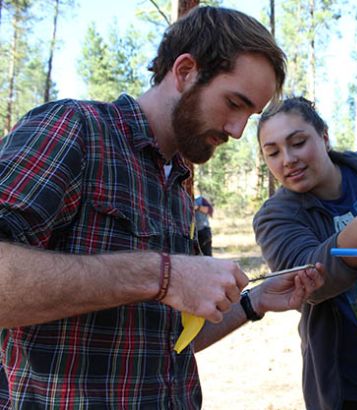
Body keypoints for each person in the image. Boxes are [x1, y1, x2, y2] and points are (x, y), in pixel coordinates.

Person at [0, 7, 324, 409]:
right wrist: (161, 276)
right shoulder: (74, 129)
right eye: (234, 103)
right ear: (186, 71)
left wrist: (253, 302)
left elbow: (168, 343)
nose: (238, 131)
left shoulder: (178, 182)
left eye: (250, 115)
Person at [253, 97, 357, 410]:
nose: (287, 159)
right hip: (354, 384)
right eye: (272, 152)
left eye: (298, 142)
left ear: (324, 136)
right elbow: (304, 278)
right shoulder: (274, 216)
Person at [194, 191, 214, 256]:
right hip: (191, 233)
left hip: (203, 231)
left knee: (207, 255)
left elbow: (210, 210)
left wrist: (198, 207)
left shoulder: (200, 199)